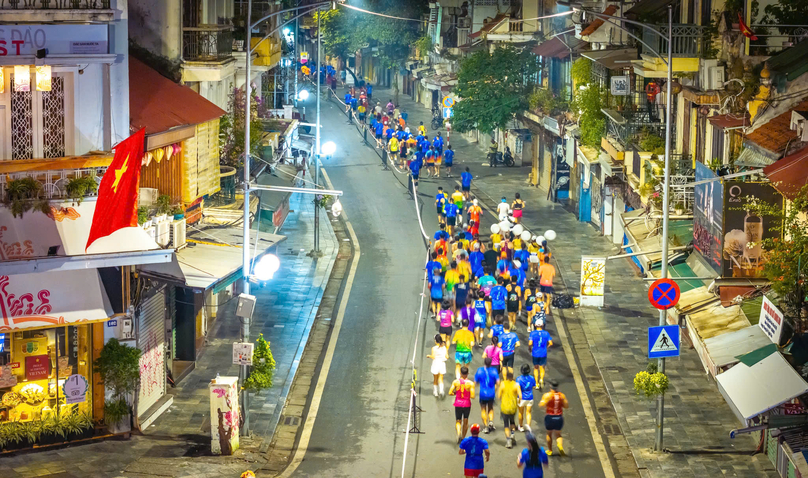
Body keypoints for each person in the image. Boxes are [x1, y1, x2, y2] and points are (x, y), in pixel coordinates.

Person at [538, 380, 569, 455]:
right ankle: (560, 445)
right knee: (558, 434)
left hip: (549, 417)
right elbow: (566, 406)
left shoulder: (547, 395)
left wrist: (545, 403)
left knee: (549, 433)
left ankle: (550, 450)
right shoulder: (561, 396)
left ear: (550, 387)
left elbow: (541, 405)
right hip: (559, 417)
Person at [449, 366, 476, 443]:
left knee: (458, 421)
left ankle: (458, 433)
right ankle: (463, 438)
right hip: (467, 404)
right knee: (466, 420)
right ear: (468, 373)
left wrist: (456, 393)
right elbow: (472, 396)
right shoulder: (470, 383)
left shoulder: (455, 382)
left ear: (460, 373)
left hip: (458, 403)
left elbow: (450, 392)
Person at [475, 358, 500, 434]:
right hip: (491, 393)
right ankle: (491, 422)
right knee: (490, 408)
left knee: (483, 409)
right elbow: (498, 383)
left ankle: (485, 426)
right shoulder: (494, 371)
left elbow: (475, 383)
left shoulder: (479, 370)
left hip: (482, 393)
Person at [498, 372, 521, 448]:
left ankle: (508, 441)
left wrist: (502, 399)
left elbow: (499, 396)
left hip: (505, 408)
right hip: (513, 407)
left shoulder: (503, 384)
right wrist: (517, 402)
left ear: (506, 377)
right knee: (512, 421)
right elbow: (520, 396)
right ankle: (513, 434)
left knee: (506, 425)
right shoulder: (516, 385)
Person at [529, 319, 553, 391]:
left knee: (536, 368)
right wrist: (546, 347)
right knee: (542, 368)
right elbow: (551, 343)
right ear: (542, 325)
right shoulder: (546, 333)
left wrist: (530, 348)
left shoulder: (532, 333)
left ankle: (536, 384)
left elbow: (530, 343)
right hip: (543, 353)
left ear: (535, 325)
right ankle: (541, 379)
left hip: (535, 353)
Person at [516, 364, 537, 431]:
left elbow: (518, 389)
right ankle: (528, 426)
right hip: (529, 397)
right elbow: (534, 386)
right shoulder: (532, 378)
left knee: (520, 413)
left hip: (521, 398)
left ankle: (521, 426)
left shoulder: (519, 379)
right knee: (528, 412)